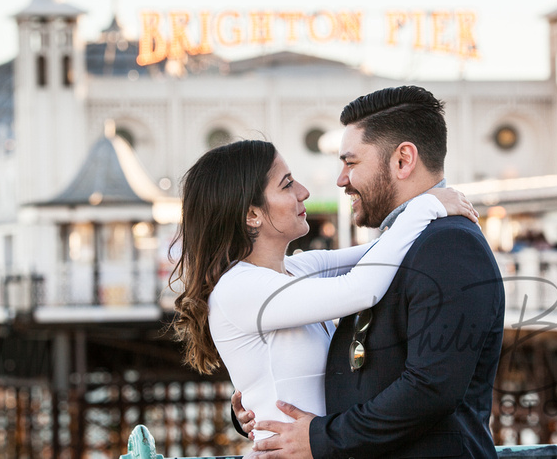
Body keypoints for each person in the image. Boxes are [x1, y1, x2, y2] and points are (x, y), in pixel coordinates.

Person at [169, 139, 477, 454]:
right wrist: (428, 204)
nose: (304, 191)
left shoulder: (294, 270)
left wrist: (427, 205)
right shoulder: (239, 288)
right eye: (287, 184)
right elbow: (362, 289)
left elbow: (379, 254)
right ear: (251, 215)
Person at [245, 86, 505, 459]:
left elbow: (431, 388)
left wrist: (321, 438)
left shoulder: (449, 246)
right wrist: (259, 402)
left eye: (351, 163)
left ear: (403, 161)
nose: (341, 180)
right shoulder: (402, 242)